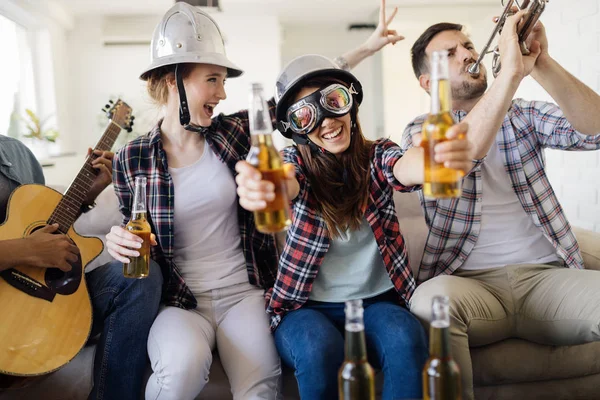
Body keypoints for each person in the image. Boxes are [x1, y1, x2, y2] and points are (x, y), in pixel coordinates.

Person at [104, 2, 401, 399]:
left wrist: (364, 49)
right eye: (212, 80)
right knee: (180, 372)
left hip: (243, 294)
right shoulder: (131, 157)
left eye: (223, 81)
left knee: (260, 387)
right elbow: (132, 227)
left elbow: (304, 97)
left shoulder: (236, 132)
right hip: (180, 301)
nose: (222, 93)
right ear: (173, 80)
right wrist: (117, 241)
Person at [234, 20, 473, 400]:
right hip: (306, 307)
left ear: (350, 101)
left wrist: (428, 162)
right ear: (295, 129)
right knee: (316, 349)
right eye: (307, 116)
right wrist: (269, 190)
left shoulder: (377, 154)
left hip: (379, 301)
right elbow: (285, 181)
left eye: (333, 103)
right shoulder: (293, 160)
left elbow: (402, 167)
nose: (328, 122)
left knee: (407, 341)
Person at [401, 12, 600, 400]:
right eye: (449, 53)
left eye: (468, 46)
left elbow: (595, 131)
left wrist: (540, 63)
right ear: (428, 82)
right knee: (429, 303)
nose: (465, 54)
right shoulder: (419, 131)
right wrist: (509, 75)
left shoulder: (522, 113)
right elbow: (464, 151)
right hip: (468, 284)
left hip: (546, 278)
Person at [0, 135, 163, 400]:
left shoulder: (17, 153)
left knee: (140, 275)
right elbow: (35, 244)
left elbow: (42, 224)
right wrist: (28, 249)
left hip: (47, 295)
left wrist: (86, 195)